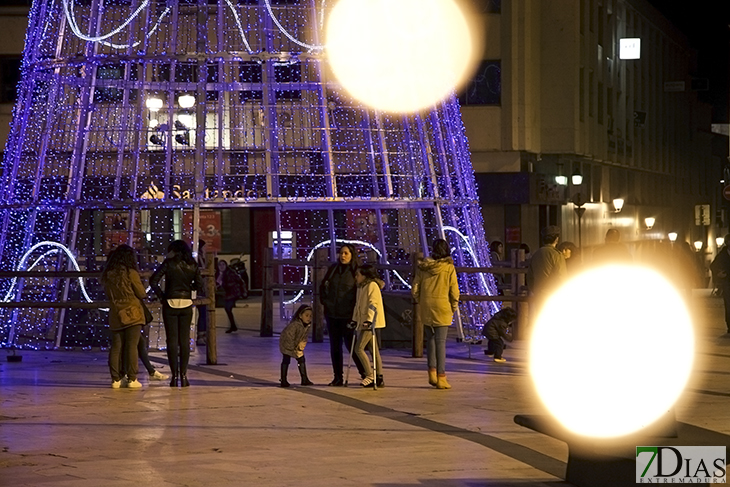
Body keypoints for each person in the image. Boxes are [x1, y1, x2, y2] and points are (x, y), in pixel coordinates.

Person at [150, 240, 203, 388]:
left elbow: (153, 280)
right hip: (186, 303)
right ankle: (184, 376)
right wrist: (188, 287)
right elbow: (200, 284)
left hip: (170, 303)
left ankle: (174, 377)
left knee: (172, 341)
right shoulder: (192, 264)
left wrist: (162, 296)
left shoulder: (168, 263)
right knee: (184, 340)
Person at [412, 238, 460, 389]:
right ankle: (442, 377)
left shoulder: (423, 267)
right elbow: (454, 291)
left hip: (427, 305)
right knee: (440, 342)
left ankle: (431, 372)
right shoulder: (449, 268)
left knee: (430, 340)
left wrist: (420, 300)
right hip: (443, 305)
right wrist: (453, 306)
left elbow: (415, 288)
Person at [101, 244, 147, 389]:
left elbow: (107, 293)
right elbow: (141, 292)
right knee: (132, 345)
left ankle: (115, 379)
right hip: (132, 311)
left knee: (116, 346)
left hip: (115, 311)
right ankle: (132, 378)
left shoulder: (108, 274)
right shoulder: (130, 272)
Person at [320, 244, 366, 386]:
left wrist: (355, 314)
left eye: (346, 253)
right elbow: (323, 286)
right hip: (332, 314)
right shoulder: (333, 269)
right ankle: (337, 377)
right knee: (335, 346)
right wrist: (326, 302)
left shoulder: (356, 272)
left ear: (352, 255)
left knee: (352, 346)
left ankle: (365, 374)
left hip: (348, 315)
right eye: (341, 253)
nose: (343, 256)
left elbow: (361, 292)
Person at [352, 264, 386, 388]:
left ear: (364, 276)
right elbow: (358, 305)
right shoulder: (361, 287)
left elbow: (373, 303)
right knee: (373, 349)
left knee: (358, 348)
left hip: (369, 322)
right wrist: (354, 320)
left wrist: (370, 320)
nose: (356, 277)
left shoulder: (372, 286)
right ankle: (379, 376)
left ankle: (370, 375)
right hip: (363, 321)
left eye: (358, 275)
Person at [526, 226, 566, 314]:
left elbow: (529, 278)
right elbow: (561, 277)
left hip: (539, 294)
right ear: (556, 239)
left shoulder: (536, 254)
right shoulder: (557, 255)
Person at [279, 304, 315, 387]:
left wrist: (301, 346)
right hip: (287, 344)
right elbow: (289, 336)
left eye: (310, 316)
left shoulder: (306, 326)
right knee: (286, 360)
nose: (309, 318)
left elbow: (304, 337)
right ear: (300, 316)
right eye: (306, 315)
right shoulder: (294, 325)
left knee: (301, 360)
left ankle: (304, 378)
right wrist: (290, 348)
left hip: (296, 345)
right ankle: (283, 380)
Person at [216, 259, 246, 333]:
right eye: (220, 265)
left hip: (233, 293)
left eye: (223, 265)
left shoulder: (230, 273)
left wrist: (243, 291)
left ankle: (233, 326)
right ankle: (233, 326)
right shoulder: (219, 274)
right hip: (227, 293)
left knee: (228, 308)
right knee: (228, 309)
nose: (221, 266)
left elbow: (239, 281)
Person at [711, 234, 730, 334]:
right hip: (727, 282)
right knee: (728, 304)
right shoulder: (722, 255)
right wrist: (719, 274)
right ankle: (729, 325)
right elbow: (713, 266)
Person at [195, 239, 208, 346]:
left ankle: (203, 335)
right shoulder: (197, 258)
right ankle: (201, 335)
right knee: (203, 313)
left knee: (203, 313)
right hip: (199, 289)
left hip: (200, 289)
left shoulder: (199, 258)